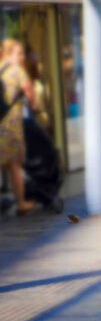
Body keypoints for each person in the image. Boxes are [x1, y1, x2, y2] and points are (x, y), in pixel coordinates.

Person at [0, 39, 36, 216]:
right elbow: (29, 91)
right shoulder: (18, 71)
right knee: (14, 165)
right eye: (19, 53)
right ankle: (21, 204)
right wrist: (34, 105)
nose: (22, 57)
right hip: (11, 125)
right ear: (8, 54)